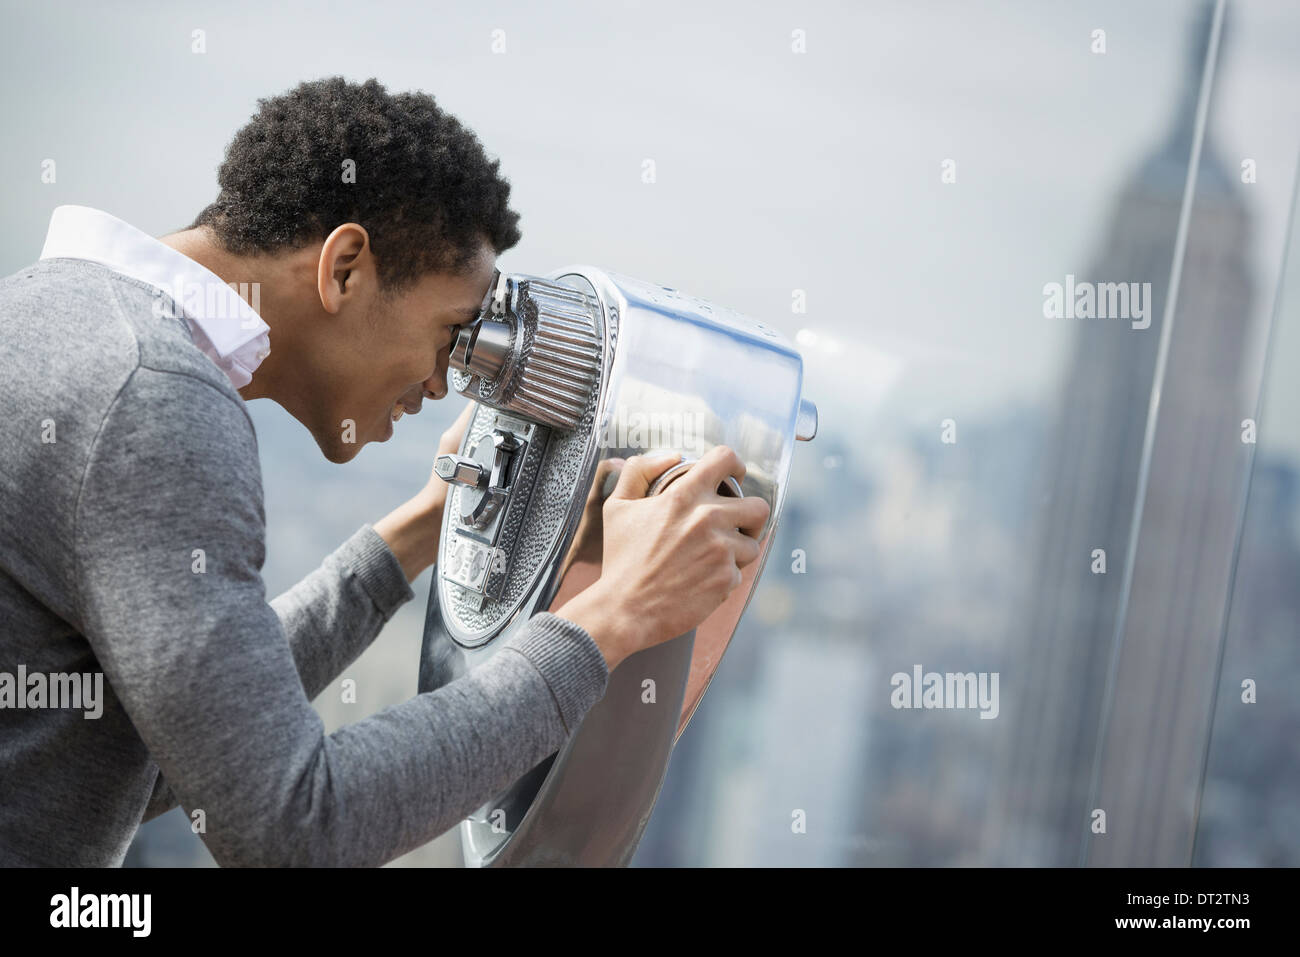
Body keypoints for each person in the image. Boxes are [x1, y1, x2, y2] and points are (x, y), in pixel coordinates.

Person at [0, 77, 770, 866]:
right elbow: (292, 828)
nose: (442, 383)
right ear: (345, 268)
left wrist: (421, 527)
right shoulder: (154, 399)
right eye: (448, 333)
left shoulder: (51, 314)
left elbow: (173, 753)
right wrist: (614, 616)